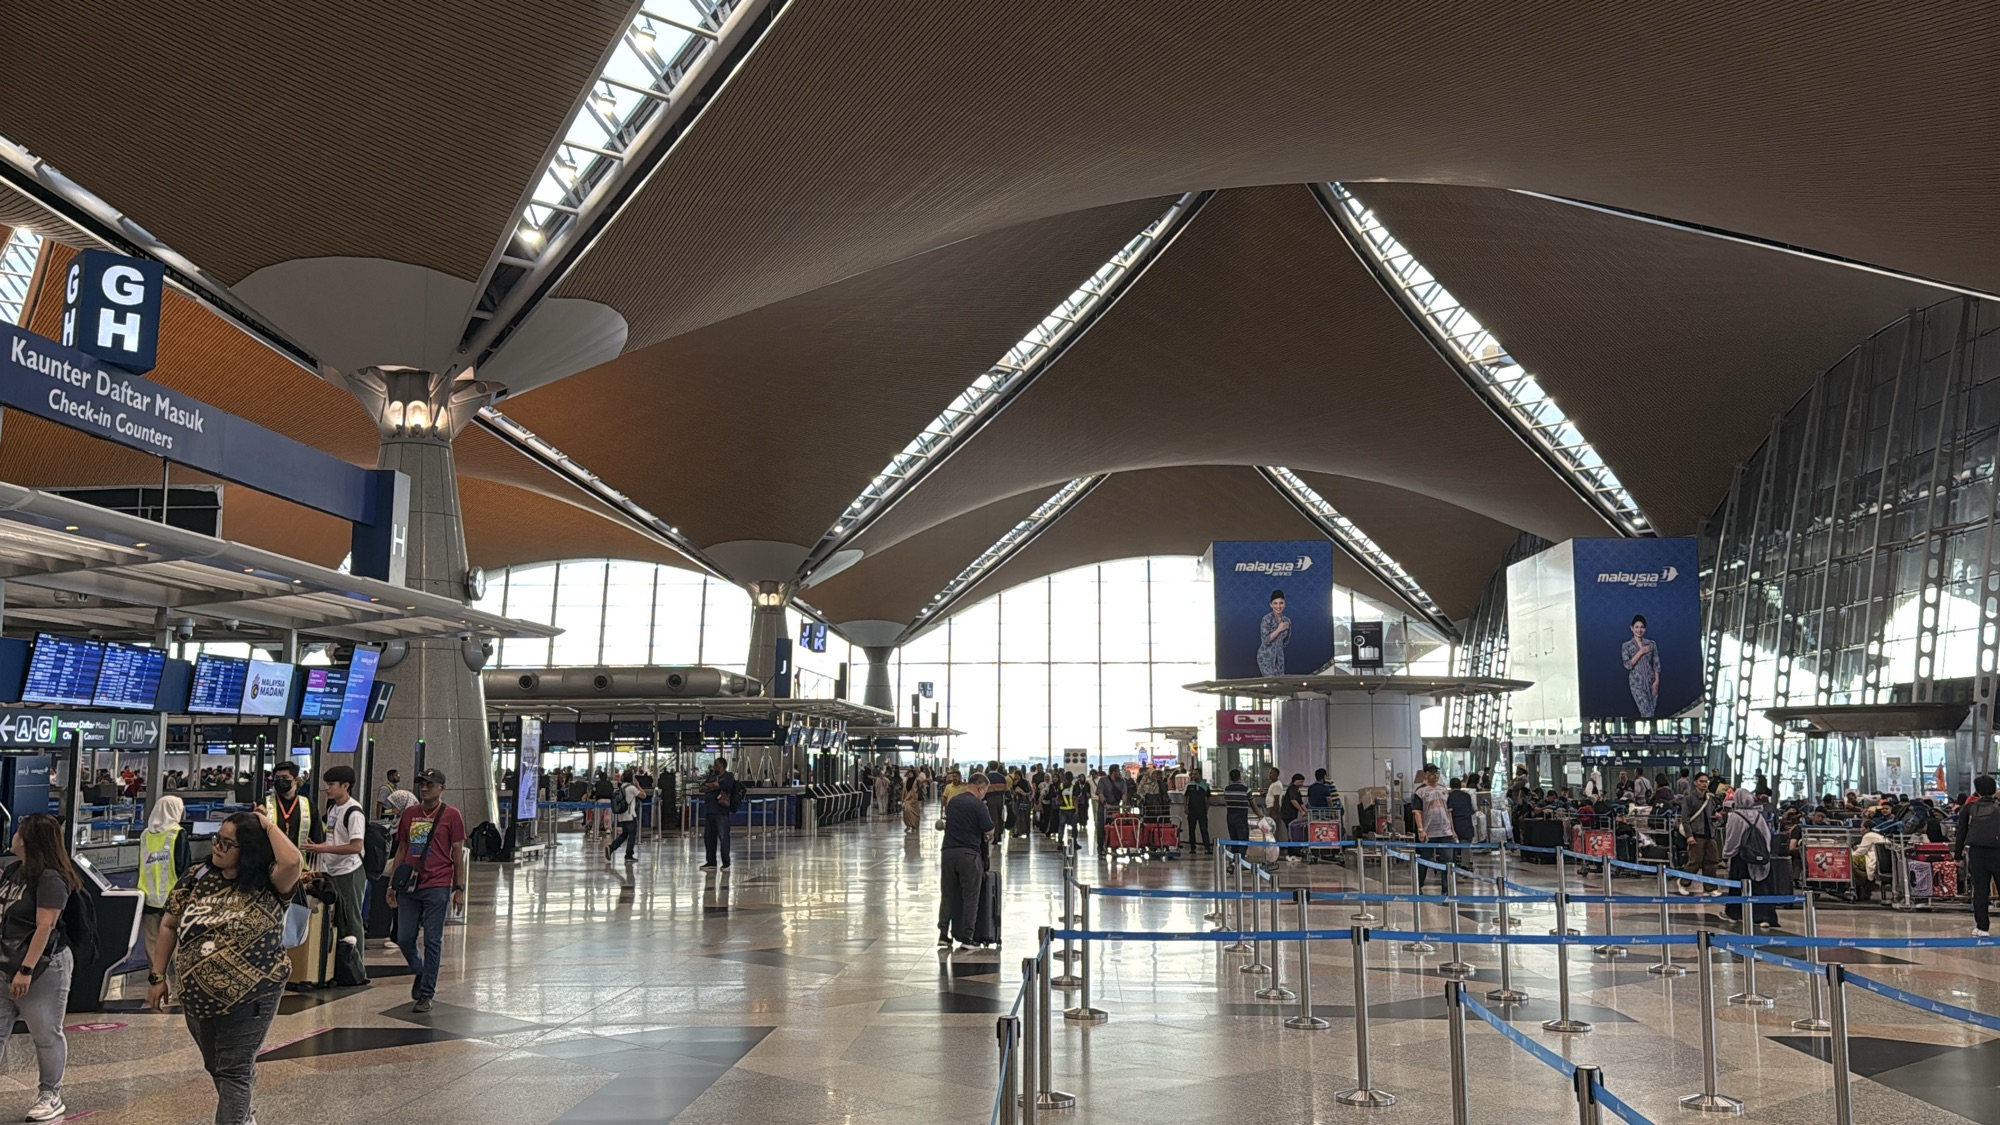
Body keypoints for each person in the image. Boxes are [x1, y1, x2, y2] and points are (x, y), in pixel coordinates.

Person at [149, 808, 303, 1125]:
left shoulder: (269, 881)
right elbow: (169, 925)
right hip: (197, 998)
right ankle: (243, 1116)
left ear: (249, 850)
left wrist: (266, 824)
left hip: (252, 997)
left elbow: (292, 861)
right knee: (217, 1066)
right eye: (217, 839)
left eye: (228, 844)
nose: (217, 847)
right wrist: (158, 975)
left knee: (234, 1070)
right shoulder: (196, 876)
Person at [0, 814, 80, 1122]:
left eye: (18, 832)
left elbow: (45, 927)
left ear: (27, 839)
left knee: (45, 1032)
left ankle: (50, 1094)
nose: (14, 836)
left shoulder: (50, 878)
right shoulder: (13, 871)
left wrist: (26, 970)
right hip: (4, 963)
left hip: (42, 967)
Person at [385, 769, 466, 1014]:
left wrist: (459, 888)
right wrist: (392, 884)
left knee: (432, 939)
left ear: (442, 787)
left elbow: (457, 853)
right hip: (410, 884)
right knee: (404, 937)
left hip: (438, 884)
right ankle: (421, 971)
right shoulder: (410, 814)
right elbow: (402, 849)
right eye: (422, 784)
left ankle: (426, 992)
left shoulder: (452, 815)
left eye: (430, 784)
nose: (425, 788)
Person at [302, 765, 367, 981]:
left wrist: (323, 849)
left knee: (352, 918)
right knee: (339, 918)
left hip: (350, 870)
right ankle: (341, 966)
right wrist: (319, 847)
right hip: (333, 869)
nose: (327, 788)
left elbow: (356, 846)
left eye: (331, 784)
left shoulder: (353, 812)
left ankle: (357, 968)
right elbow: (333, 840)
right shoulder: (332, 809)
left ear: (345, 786)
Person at [138, 794, 192, 1002]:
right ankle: (182, 988)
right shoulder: (178, 834)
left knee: (153, 948)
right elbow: (184, 867)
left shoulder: (145, 835)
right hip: (173, 900)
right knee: (178, 946)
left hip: (149, 899)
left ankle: (159, 987)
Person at [938, 773, 994, 951]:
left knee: (947, 895)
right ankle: (967, 938)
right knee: (971, 897)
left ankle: (943, 935)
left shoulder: (954, 801)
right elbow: (989, 829)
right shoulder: (978, 805)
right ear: (980, 788)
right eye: (985, 791)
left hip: (948, 852)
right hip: (968, 854)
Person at [1721, 787, 1779, 928]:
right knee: (1760, 886)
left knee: (1738, 886)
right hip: (1760, 857)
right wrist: (1764, 853)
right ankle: (1763, 917)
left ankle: (1735, 914)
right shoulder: (1759, 815)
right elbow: (1766, 836)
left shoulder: (1734, 816)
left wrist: (1726, 854)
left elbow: (1732, 838)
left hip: (1741, 858)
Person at [1954, 775, 2000, 935]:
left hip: (1977, 853)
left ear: (1977, 791)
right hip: (1998, 851)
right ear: (1994, 789)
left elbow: (1961, 833)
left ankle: (1982, 927)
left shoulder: (1968, 808)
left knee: (1980, 890)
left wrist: (1957, 856)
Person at [263, 761, 324, 862]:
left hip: (300, 864)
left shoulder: (308, 805)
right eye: (277, 778)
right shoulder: (264, 804)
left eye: (285, 778)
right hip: (271, 863)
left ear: (295, 780)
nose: (281, 781)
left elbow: (317, 838)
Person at [1679, 773, 1723, 894]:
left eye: (1706, 781)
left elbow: (1713, 816)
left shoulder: (1710, 799)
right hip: (1696, 834)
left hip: (1710, 834)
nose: (1704, 784)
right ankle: (1683, 883)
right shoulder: (1689, 798)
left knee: (1711, 862)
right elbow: (1685, 819)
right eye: (1701, 781)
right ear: (1695, 783)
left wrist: (1717, 818)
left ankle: (1710, 888)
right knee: (1695, 861)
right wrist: (1689, 836)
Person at [699, 759, 739, 868]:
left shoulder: (728, 776)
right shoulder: (711, 776)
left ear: (722, 765)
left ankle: (726, 862)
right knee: (709, 838)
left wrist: (710, 786)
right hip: (709, 811)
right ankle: (711, 861)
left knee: (723, 837)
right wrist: (713, 785)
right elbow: (701, 788)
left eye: (717, 764)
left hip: (721, 812)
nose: (715, 766)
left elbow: (720, 785)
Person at [1622, 614, 1661, 719]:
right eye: (1637, 627)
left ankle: (1652, 729)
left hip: (1651, 682)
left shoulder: (1651, 644)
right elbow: (1627, 665)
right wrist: (1640, 652)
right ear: (1632, 628)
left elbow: (1656, 663)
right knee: (1646, 712)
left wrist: (1656, 681)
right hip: (1636, 684)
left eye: (1642, 627)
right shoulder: (1626, 646)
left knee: (1652, 711)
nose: (1639, 630)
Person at [604, 768, 647, 864]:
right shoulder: (631, 788)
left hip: (622, 815)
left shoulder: (622, 787)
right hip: (630, 815)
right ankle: (629, 855)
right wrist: (638, 785)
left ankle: (611, 848)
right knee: (632, 835)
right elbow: (643, 795)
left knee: (624, 834)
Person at [1256, 589, 1291, 676]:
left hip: (1279, 659)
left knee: (1280, 682)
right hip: (1266, 658)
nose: (1278, 606)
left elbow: (1286, 641)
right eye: (1275, 603)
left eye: (1281, 603)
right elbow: (1265, 640)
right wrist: (1279, 629)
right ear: (1271, 605)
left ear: (1285, 604)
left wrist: (1278, 649)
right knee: (1271, 681)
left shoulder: (1287, 621)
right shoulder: (1267, 619)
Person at [1222, 769, 1251, 854]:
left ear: (1230, 778)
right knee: (1243, 840)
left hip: (1230, 817)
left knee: (1234, 840)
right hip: (1242, 818)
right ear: (1240, 777)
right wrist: (1260, 815)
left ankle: (1234, 859)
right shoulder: (1246, 790)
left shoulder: (1226, 790)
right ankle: (1241, 859)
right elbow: (1253, 804)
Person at [1184, 769, 1212, 854]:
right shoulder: (1190, 785)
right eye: (1193, 774)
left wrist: (1207, 807)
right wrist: (1185, 807)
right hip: (1192, 810)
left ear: (1200, 774)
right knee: (1191, 829)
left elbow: (1208, 797)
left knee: (1204, 829)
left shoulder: (1205, 785)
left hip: (1201, 810)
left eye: (1195, 774)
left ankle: (1207, 847)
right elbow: (1186, 797)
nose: (1194, 776)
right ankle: (1192, 847)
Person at [901, 769, 923, 834]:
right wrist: (902, 799)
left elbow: (922, 780)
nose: (910, 774)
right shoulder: (906, 781)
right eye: (909, 773)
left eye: (911, 773)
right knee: (907, 811)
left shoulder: (916, 780)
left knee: (915, 814)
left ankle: (914, 826)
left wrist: (927, 780)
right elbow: (903, 791)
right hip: (907, 800)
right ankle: (908, 824)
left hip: (914, 800)